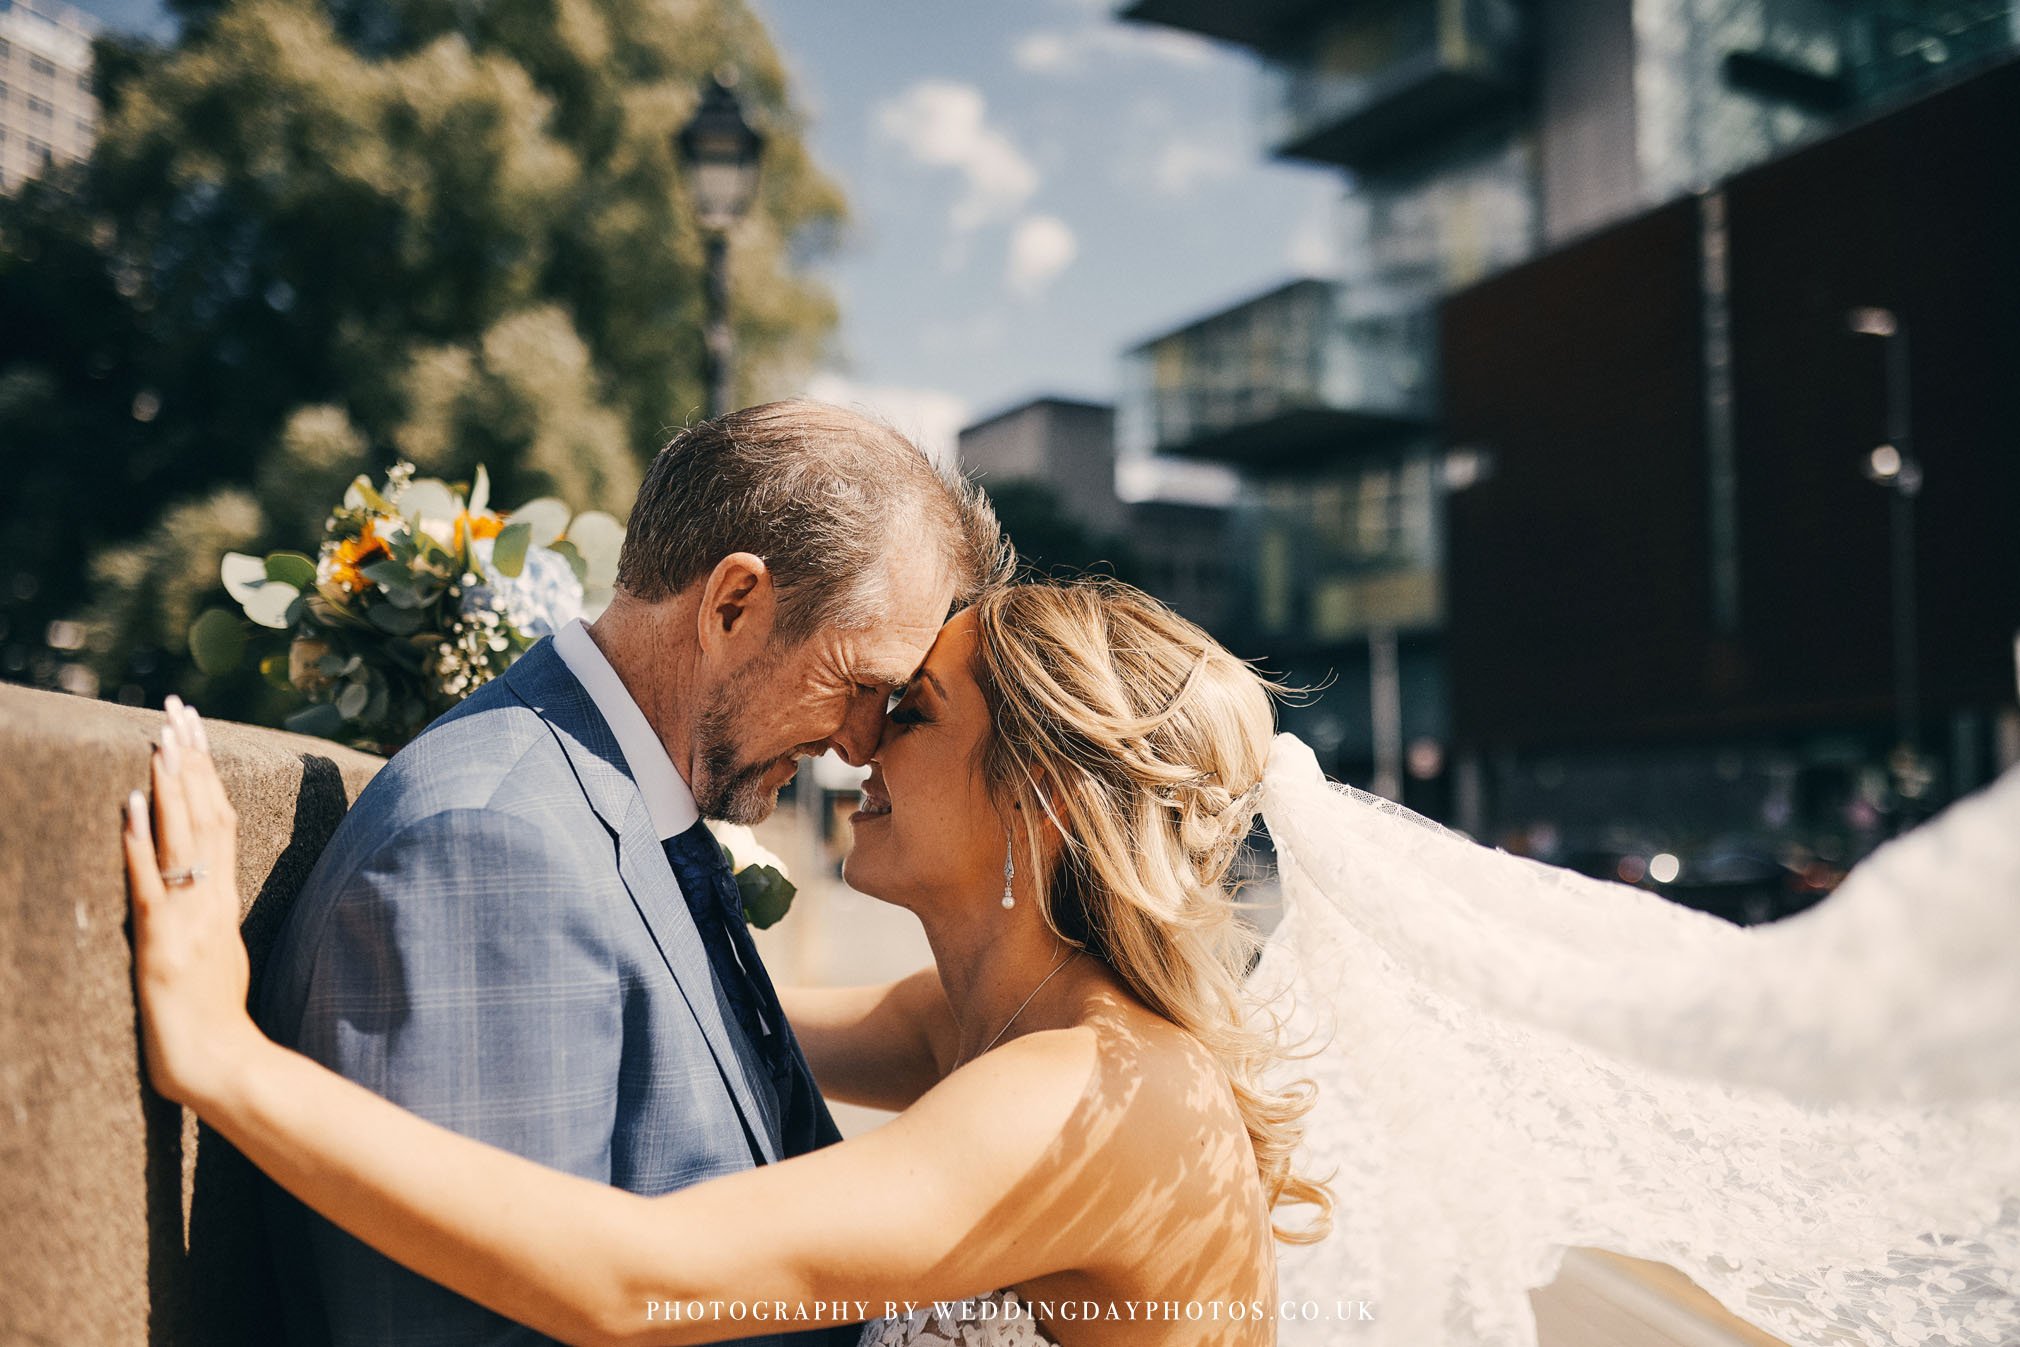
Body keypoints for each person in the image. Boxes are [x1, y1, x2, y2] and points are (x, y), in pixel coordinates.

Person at [127, 581, 1332, 1347]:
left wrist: (224, 1060)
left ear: (1040, 797)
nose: (856, 746)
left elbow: (633, 1281)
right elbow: (685, 997)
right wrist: (539, 810)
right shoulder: (985, 1021)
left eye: (910, 713)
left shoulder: (1080, 1096)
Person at [245, 400, 1009, 1347]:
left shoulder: (624, 806)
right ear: (733, 605)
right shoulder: (490, 851)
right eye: (858, 683)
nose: (860, 743)